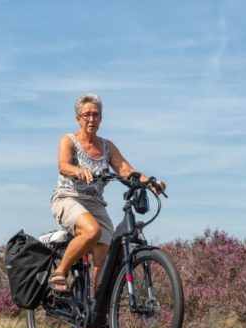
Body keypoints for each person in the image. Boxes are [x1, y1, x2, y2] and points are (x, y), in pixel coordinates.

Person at [49, 93, 166, 303]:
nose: (91, 119)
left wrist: (150, 182)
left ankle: (100, 316)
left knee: (104, 258)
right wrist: (77, 171)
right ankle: (60, 272)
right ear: (78, 118)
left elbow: (126, 170)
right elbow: (63, 165)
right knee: (91, 231)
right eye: (86, 115)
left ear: (101, 118)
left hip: (95, 204)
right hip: (69, 197)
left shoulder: (107, 146)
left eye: (96, 115)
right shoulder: (69, 140)